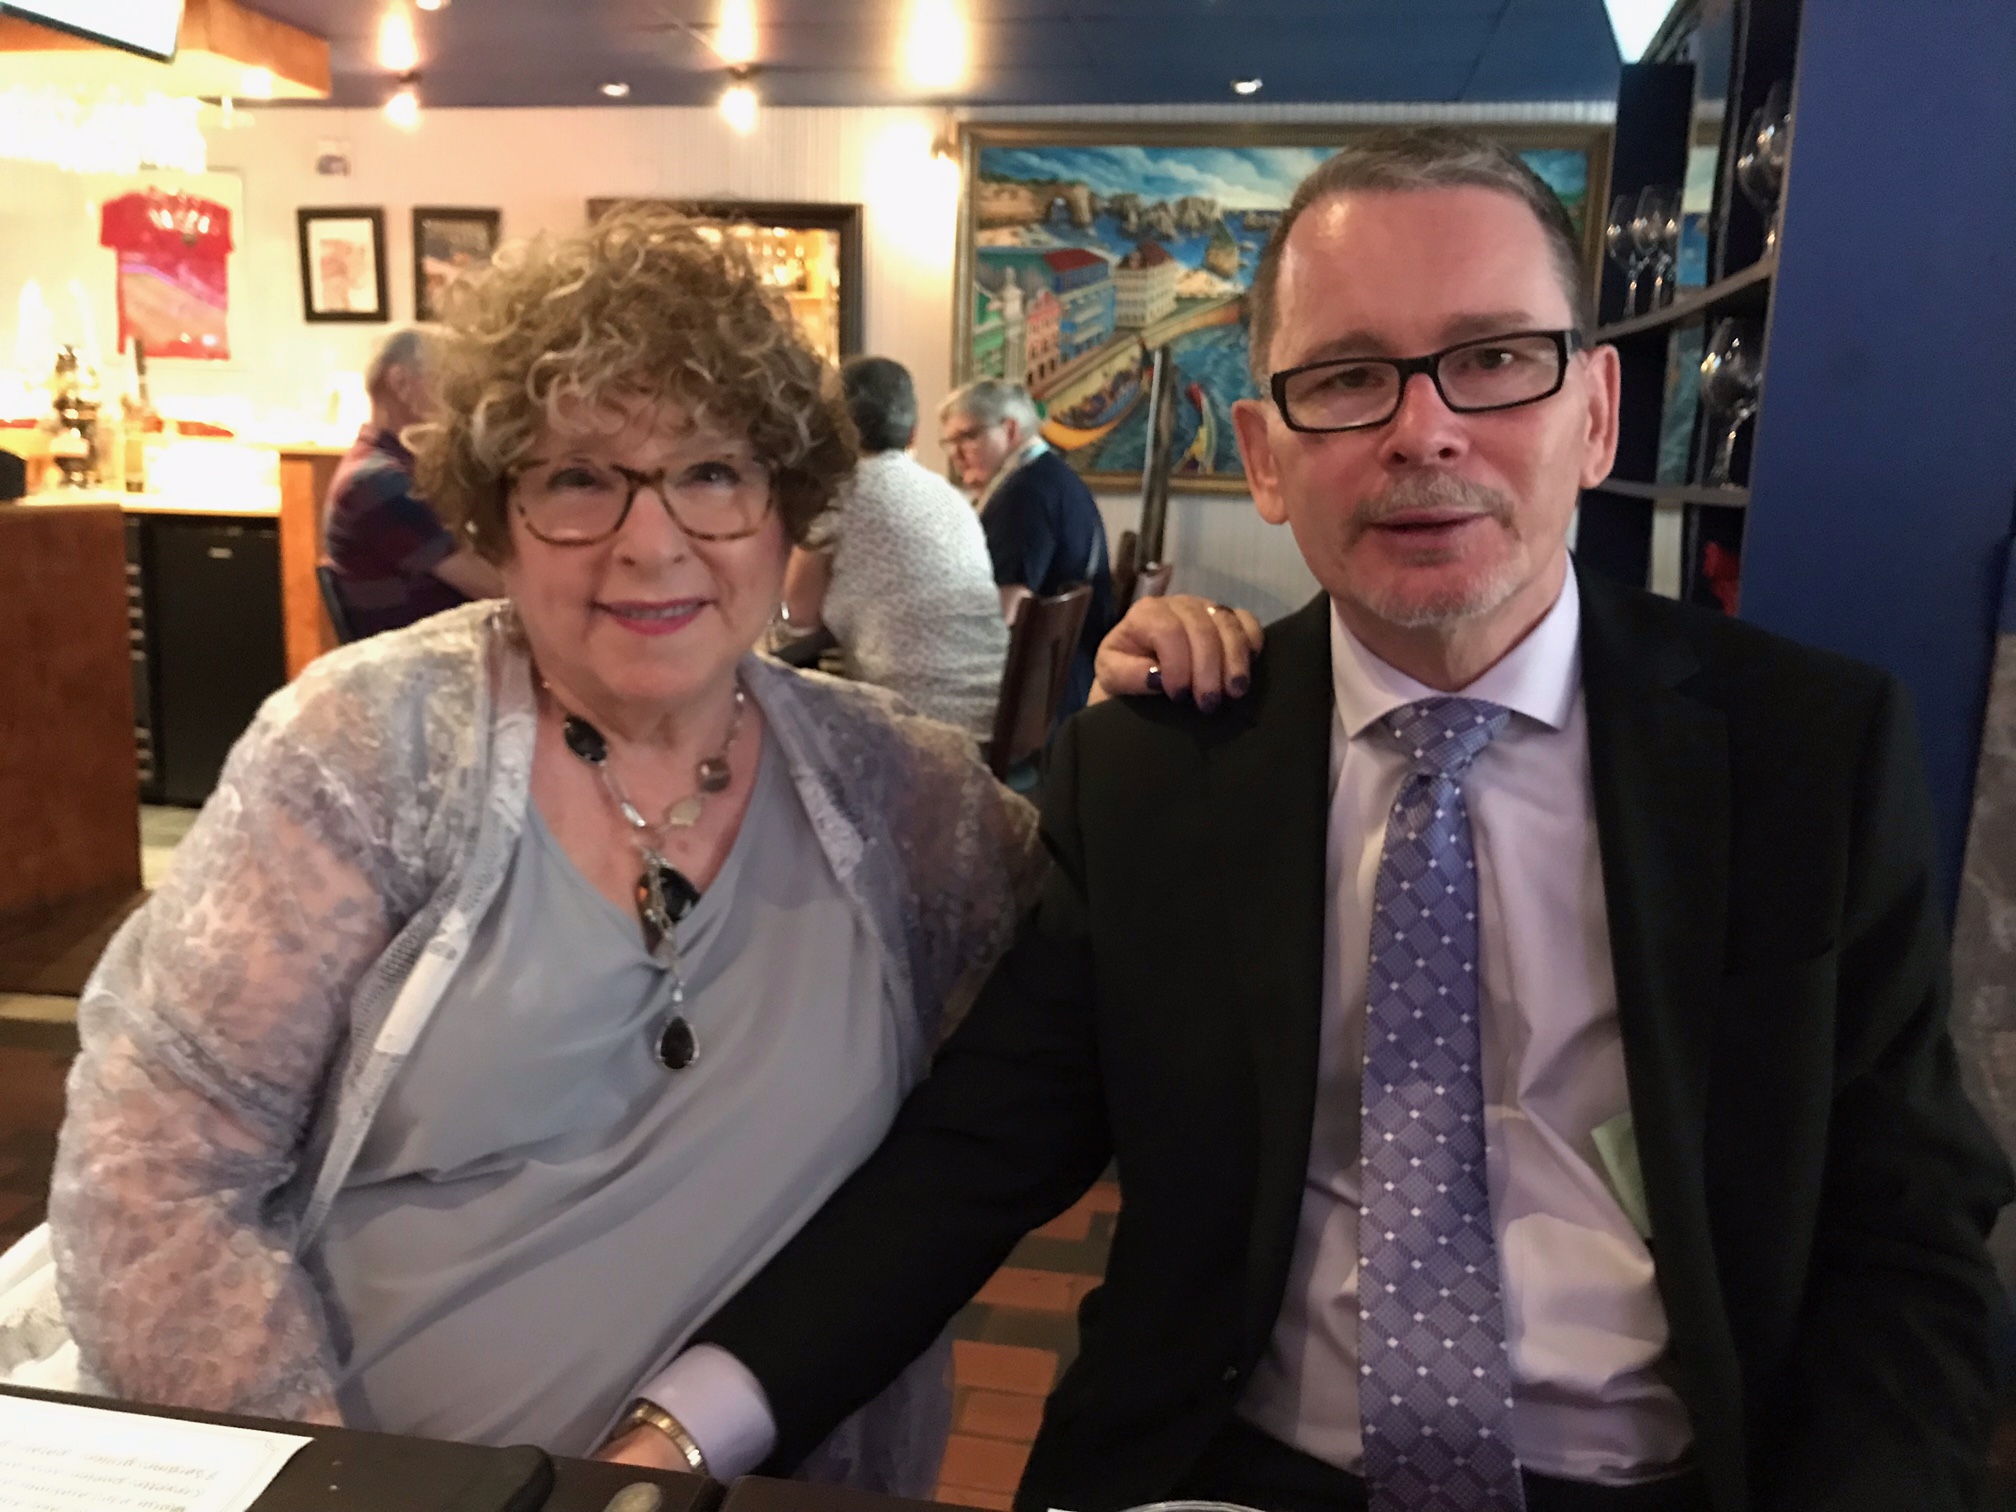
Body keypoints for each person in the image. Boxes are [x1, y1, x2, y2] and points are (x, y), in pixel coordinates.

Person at [612, 131, 2013, 1511]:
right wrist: (681, 1431)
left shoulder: (1802, 753)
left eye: (1493, 359)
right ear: (1266, 457)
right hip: (1236, 1473)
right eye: (1347, 379)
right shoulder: (1158, 771)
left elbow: (1905, 1227)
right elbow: (973, 1160)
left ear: (1596, 415)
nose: (1424, 430)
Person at [37, 209, 1041, 1494]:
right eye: (578, 479)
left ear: (787, 510)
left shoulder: (905, 798)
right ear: (496, 517)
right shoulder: (365, 753)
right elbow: (154, 1173)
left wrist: (1188, 698)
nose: (651, 541)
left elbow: (1115, 977)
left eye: (713, 473)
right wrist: (339, 1488)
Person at [781, 357, 1008, 741]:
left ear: (833, 431)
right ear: (914, 434)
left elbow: (798, 618)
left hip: (912, 729)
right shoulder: (949, 496)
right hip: (995, 719)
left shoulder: (839, 494)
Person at [941, 378, 1116, 719]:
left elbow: (1004, 613)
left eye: (967, 437)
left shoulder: (1023, 493)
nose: (955, 454)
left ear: (1009, 430)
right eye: (949, 442)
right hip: (1073, 674)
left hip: (1045, 694)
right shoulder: (1052, 474)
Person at [322, 326, 504, 638]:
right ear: (401, 383)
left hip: (438, 645)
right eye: (449, 381)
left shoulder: (388, 468)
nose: (463, 400)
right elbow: (495, 588)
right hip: (427, 657)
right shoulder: (381, 483)